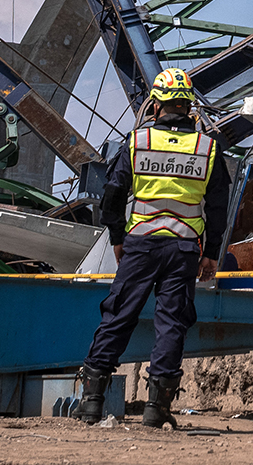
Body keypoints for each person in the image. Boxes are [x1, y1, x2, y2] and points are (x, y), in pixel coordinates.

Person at [71, 67, 231, 428]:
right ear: (190, 108)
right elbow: (218, 206)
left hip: (140, 246)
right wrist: (211, 253)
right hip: (184, 249)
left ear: (156, 105)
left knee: (118, 316)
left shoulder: (137, 142)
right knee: (172, 322)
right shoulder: (207, 149)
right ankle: (156, 410)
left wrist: (116, 238)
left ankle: (92, 403)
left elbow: (111, 197)